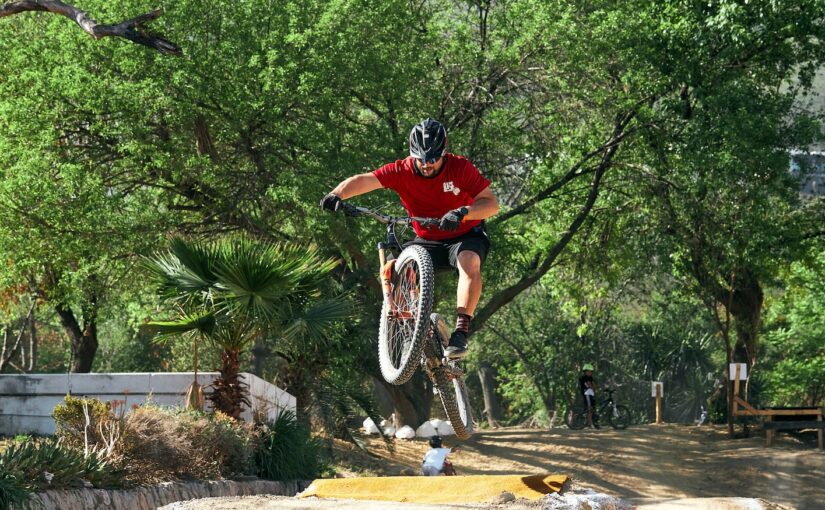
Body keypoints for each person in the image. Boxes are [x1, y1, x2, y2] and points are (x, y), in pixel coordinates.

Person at [320, 118, 500, 359]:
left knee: (469, 261)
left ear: (443, 153)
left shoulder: (459, 168)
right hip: (426, 237)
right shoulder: (402, 170)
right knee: (398, 268)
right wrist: (336, 194)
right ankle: (410, 331)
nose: (426, 165)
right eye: (420, 159)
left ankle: (460, 332)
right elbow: (366, 180)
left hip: (464, 234)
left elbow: (491, 204)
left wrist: (463, 213)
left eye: (433, 159)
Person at [579, 363, 599, 429]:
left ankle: (592, 423)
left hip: (591, 394)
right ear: (586, 371)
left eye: (591, 371)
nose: (591, 372)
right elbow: (590, 384)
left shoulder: (590, 377)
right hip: (586, 393)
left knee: (592, 409)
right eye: (589, 371)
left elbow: (593, 384)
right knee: (590, 409)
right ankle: (590, 424)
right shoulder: (584, 377)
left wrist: (595, 389)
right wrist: (594, 388)